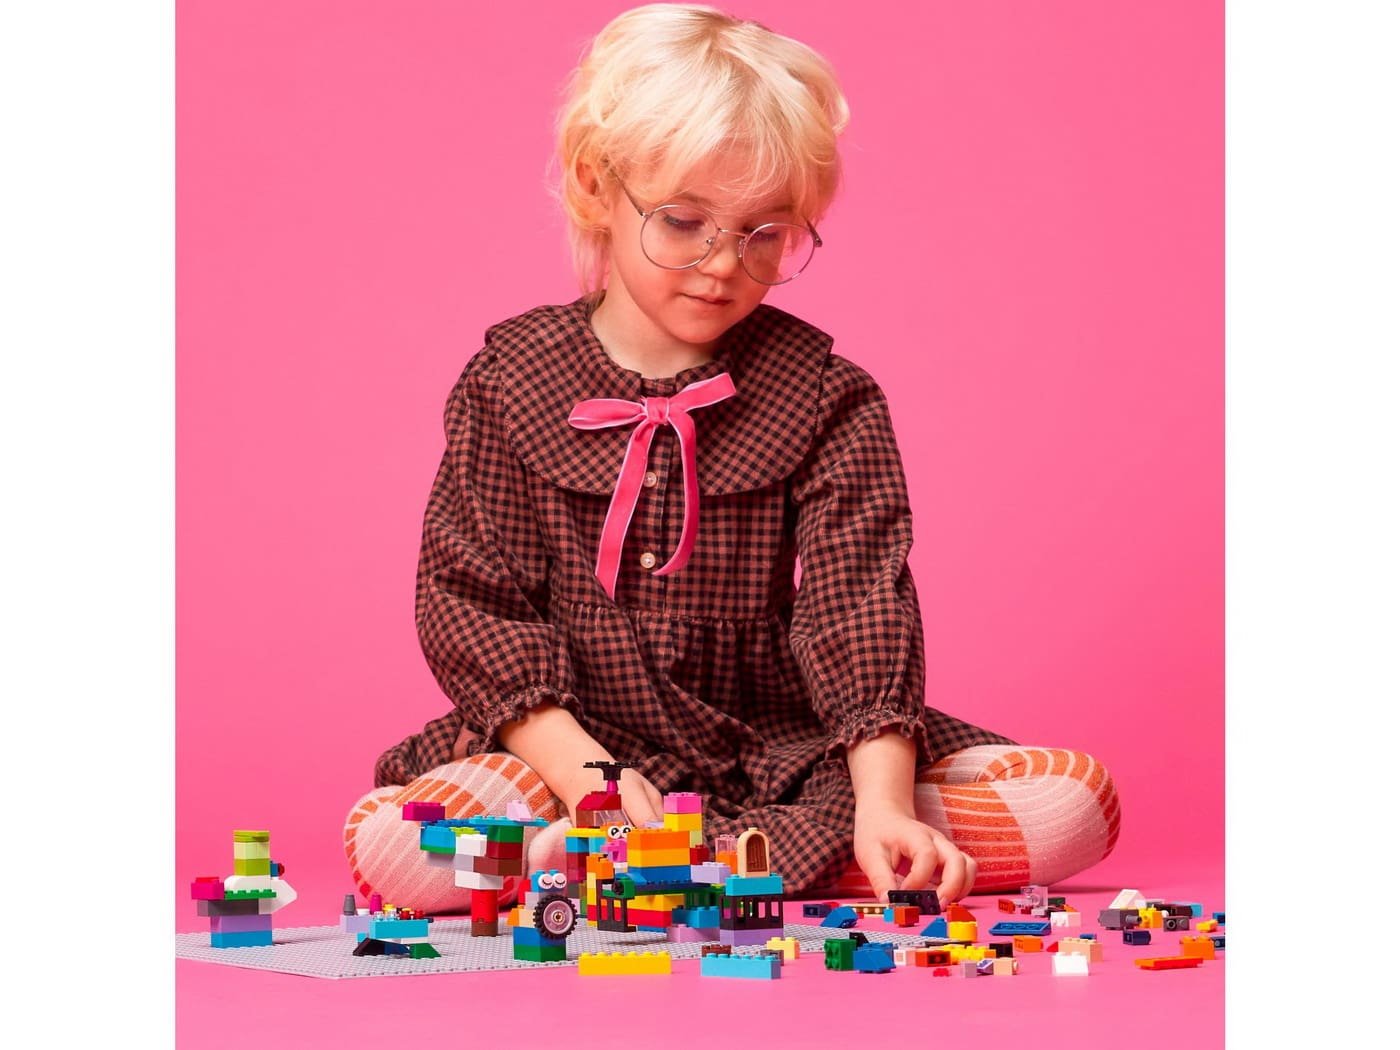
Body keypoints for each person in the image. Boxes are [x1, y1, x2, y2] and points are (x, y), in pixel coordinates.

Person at [343, 3, 1119, 914]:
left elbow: (859, 603)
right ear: (595, 185)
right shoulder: (510, 381)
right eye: (684, 222)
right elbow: (471, 601)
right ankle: (664, 851)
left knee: (1075, 798)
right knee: (393, 840)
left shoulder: (826, 396)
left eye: (765, 234)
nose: (722, 264)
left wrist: (881, 801)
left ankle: (812, 847)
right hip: (567, 745)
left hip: (777, 744)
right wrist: (586, 774)